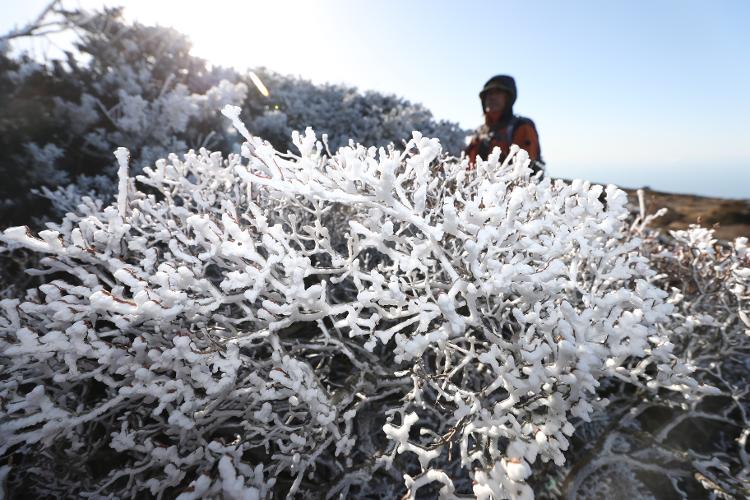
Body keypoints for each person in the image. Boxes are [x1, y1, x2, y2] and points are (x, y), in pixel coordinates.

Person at [466, 75, 544, 175]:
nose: (492, 97)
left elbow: (527, 171)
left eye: (498, 92)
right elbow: (466, 167)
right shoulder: (478, 133)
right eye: (489, 93)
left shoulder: (522, 127)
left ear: (508, 98)